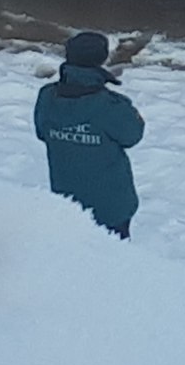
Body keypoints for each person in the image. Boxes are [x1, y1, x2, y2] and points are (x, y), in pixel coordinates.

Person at [34, 30, 144, 238]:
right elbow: (133, 135)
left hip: (67, 202)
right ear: (102, 59)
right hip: (112, 207)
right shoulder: (111, 105)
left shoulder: (47, 97)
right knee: (114, 257)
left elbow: (42, 133)